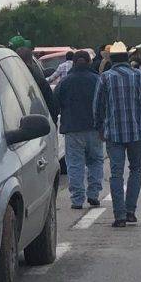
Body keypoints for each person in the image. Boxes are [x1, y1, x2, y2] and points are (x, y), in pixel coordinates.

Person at [94, 41, 141, 227]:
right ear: (127, 58)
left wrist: (100, 129)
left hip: (113, 134)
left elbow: (97, 107)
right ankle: (130, 211)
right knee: (136, 170)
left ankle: (119, 216)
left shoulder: (105, 78)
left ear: (112, 59)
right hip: (136, 132)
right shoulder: (139, 75)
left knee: (116, 174)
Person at [53, 51, 104, 209]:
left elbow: (55, 103)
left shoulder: (65, 82)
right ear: (89, 62)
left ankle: (77, 199)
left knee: (75, 164)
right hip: (95, 128)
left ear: (73, 63)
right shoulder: (98, 80)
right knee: (95, 161)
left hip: (72, 129)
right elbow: (104, 103)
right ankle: (93, 194)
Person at [16, 47, 59, 125]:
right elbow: (53, 109)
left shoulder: (7, 81)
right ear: (31, 61)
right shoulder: (39, 81)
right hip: (40, 129)